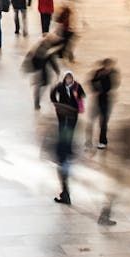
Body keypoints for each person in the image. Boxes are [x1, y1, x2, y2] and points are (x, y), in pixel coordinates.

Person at [50, 70, 85, 204]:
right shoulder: (60, 86)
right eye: (67, 78)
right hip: (62, 111)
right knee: (63, 128)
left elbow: (82, 96)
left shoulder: (77, 86)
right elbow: (53, 93)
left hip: (72, 113)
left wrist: (77, 96)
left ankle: (65, 195)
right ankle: (65, 194)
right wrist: (56, 103)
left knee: (70, 130)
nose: (68, 80)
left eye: (70, 78)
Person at [89, 58, 117, 149]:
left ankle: (103, 141)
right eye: (106, 65)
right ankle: (93, 140)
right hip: (99, 99)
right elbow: (92, 81)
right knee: (96, 120)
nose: (108, 67)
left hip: (107, 99)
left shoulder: (113, 73)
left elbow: (113, 85)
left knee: (104, 120)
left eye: (109, 65)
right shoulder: (99, 72)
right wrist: (95, 90)